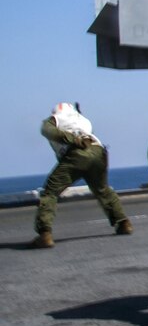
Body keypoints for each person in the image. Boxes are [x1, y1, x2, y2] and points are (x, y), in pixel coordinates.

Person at [29, 103, 132, 249]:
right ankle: (123, 223)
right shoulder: (83, 120)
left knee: (50, 192)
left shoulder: (55, 119)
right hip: (98, 151)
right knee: (102, 188)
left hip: (76, 154)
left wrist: (72, 139)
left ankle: (44, 234)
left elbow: (46, 130)